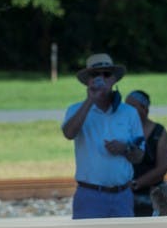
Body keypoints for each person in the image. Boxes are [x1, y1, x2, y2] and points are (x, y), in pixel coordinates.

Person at [62, 53, 145, 219]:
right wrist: (90, 100)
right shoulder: (75, 109)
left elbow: (139, 156)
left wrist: (125, 148)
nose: (101, 79)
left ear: (114, 79)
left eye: (106, 74)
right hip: (90, 194)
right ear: (88, 81)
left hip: (122, 194)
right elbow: (69, 133)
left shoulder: (129, 113)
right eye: (95, 75)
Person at [124, 90, 167, 216]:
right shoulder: (122, 130)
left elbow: (162, 168)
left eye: (132, 107)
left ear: (144, 108)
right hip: (125, 193)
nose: (127, 111)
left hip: (151, 194)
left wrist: (136, 184)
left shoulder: (158, 132)